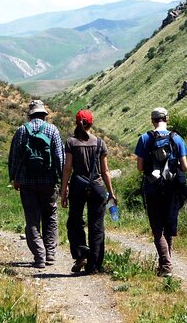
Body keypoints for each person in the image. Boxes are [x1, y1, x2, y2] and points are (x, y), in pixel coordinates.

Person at [8, 99, 65, 269]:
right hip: (49, 182)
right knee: (50, 216)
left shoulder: (21, 131)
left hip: (27, 182)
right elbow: (59, 158)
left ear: (30, 114)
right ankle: (50, 254)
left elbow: (15, 157)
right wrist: (63, 182)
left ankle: (39, 256)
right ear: (44, 114)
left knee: (32, 219)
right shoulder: (52, 130)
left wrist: (14, 178)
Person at [134, 107, 187, 277]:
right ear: (166, 118)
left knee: (157, 228)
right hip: (172, 190)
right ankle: (166, 264)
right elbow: (185, 167)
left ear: (152, 120)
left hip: (152, 188)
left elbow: (139, 167)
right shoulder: (176, 138)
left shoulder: (145, 139)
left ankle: (165, 265)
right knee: (168, 224)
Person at [60, 109, 116, 275]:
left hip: (78, 186)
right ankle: (95, 265)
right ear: (91, 124)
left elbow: (68, 168)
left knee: (75, 222)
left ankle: (81, 253)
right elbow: (105, 171)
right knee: (96, 226)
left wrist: (64, 191)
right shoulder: (99, 143)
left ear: (76, 123)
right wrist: (111, 193)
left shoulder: (71, 142)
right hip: (97, 187)